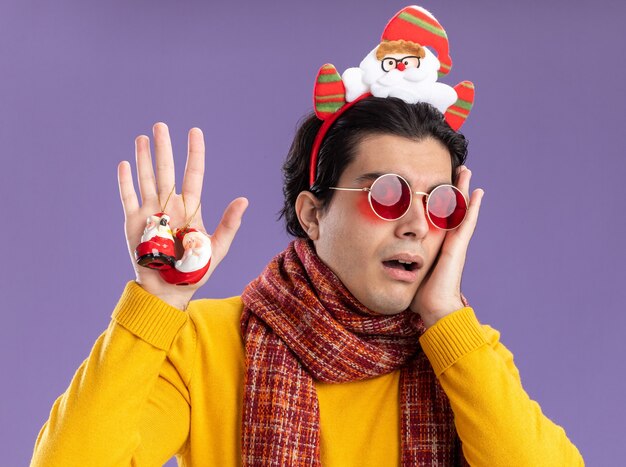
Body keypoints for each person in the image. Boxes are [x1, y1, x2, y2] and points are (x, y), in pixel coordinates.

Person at [31, 6, 584, 467]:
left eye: (440, 203)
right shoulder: (205, 344)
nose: (416, 223)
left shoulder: (463, 355)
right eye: (386, 193)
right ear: (314, 214)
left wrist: (445, 319)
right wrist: (156, 303)